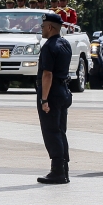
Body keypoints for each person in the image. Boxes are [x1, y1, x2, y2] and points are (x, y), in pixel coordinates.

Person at [36, 11, 72, 184]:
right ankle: (63, 168)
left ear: (50, 27)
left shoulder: (49, 46)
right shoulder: (65, 44)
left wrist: (44, 99)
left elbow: (47, 74)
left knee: (51, 131)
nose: (41, 29)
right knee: (60, 130)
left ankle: (57, 171)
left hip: (51, 93)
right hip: (63, 90)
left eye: (43, 26)